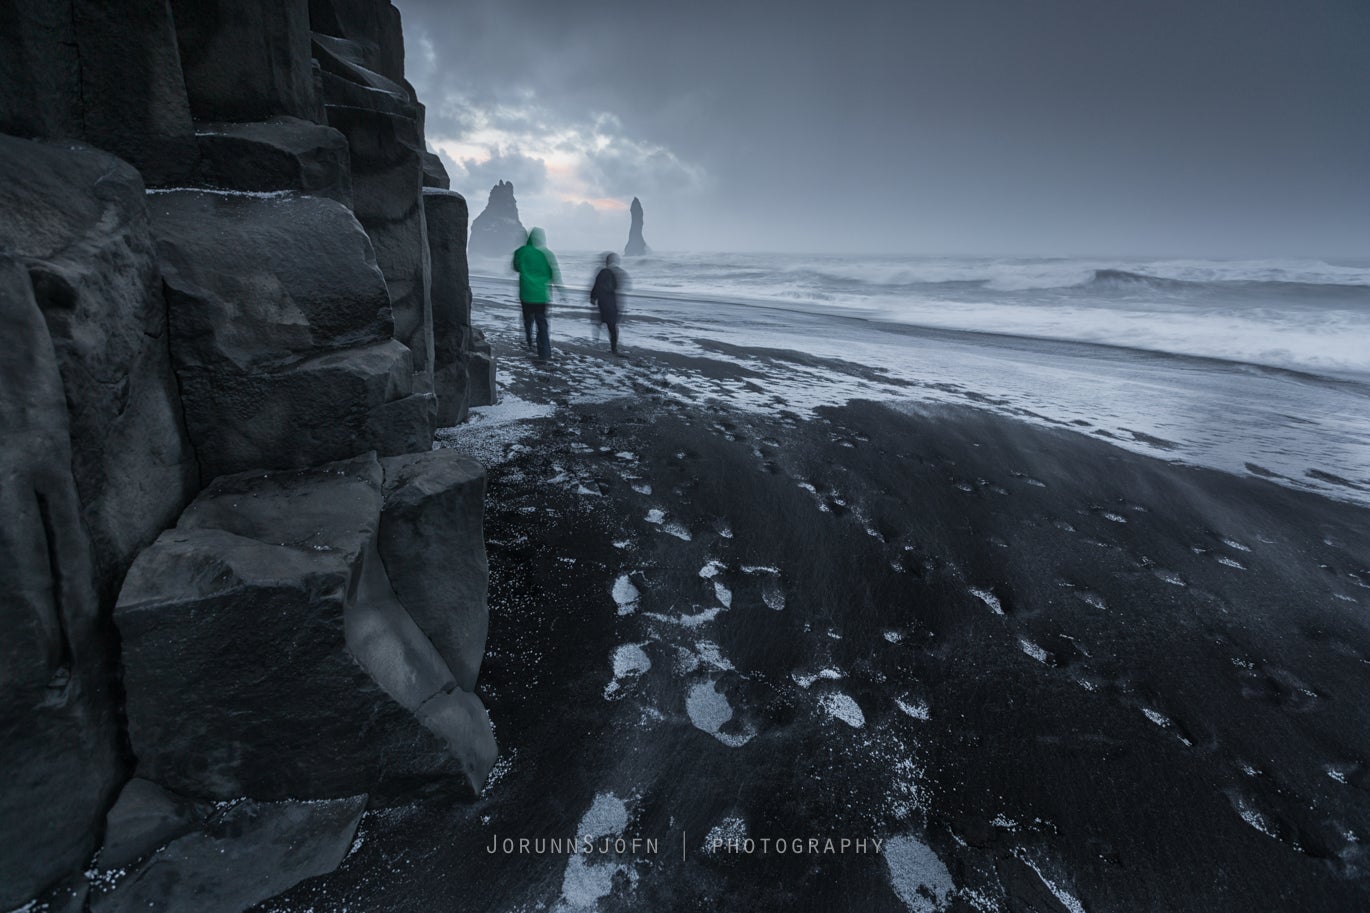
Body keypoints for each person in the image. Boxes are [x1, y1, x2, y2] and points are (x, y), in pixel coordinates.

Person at [511, 227, 561, 359]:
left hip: (526, 294)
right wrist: (561, 290)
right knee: (542, 323)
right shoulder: (547, 254)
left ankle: (529, 341)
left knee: (527, 320)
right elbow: (554, 273)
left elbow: (515, 267)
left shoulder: (521, 252)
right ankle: (544, 352)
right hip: (541, 295)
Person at [589, 252, 630, 356]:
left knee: (599, 322)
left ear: (606, 261)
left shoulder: (602, 272)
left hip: (603, 302)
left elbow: (596, 285)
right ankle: (613, 348)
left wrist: (593, 298)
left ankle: (596, 341)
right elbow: (618, 286)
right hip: (613, 302)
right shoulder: (618, 272)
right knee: (612, 326)